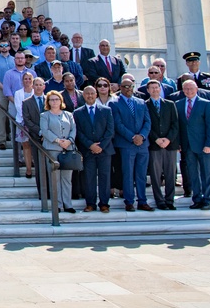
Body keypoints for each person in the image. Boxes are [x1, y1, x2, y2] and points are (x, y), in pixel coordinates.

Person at [110, 77, 153, 212]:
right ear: (120, 88)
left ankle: (142, 201)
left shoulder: (141, 102)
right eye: (125, 87)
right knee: (128, 173)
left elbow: (147, 122)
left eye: (130, 86)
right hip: (126, 144)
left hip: (142, 144)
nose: (128, 89)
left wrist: (142, 136)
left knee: (141, 174)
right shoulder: (114, 103)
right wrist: (132, 137)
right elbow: (118, 124)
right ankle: (129, 201)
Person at [176, 79, 210, 210]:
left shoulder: (205, 104)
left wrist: (209, 144)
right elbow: (178, 126)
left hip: (203, 145)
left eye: (191, 88)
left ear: (196, 89)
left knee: (207, 173)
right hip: (187, 146)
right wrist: (179, 144)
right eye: (186, 89)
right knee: (193, 174)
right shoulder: (178, 104)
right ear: (183, 90)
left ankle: (208, 199)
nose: (189, 91)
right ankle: (197, 198)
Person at [74, 85, 115, 213]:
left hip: (105, 150)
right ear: (83, 96)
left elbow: (110, 131)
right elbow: (79, 132)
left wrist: (101, 146)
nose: (90, 96)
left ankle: (104, 203)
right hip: (87, 151)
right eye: (87, 94)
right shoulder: (77, 112)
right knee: (89, 177)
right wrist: (90, 145)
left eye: (92, 93)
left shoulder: (106, 110)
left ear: (96, 95)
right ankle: (90, 203)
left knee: (104, 176)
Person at [39, 91, 77, 213]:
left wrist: (69, 141)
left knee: (67, 178)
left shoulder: (69, 115)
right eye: (52, 100)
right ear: (48, 102)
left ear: (61, 101)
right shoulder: (45, 115)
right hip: (52, 149)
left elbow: (73, 129)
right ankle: (58, 204)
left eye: (57, 99)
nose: (54, 101)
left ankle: (68, 204)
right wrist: (58, 140)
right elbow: (45, 130)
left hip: (67, 149)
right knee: (55, 178)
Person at [145, 80, 180, 210]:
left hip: (169, 145)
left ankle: (170, 200)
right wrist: (156, 139)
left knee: (171, 174)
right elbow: (146, 124)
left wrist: (168, 139)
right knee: (155, 174)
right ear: (148, 90)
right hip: (154, 145)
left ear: (160, 89)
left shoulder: (170, 104)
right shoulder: (145, 105)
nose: (154, 90)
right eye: (152, 88)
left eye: (156, 87)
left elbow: (175, 124)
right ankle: (159, 200)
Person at [13, 72, 37, 179]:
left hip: (35, 122)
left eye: (29, 79)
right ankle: (28, 169)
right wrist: (26, 119)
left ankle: (36, 166)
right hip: (22, 121)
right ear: (22, 81)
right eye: (25, 79)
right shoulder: (18, 93)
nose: (27, 81)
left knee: (35, 145)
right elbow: (19, 107)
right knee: (26, 145)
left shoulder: (36, 92)